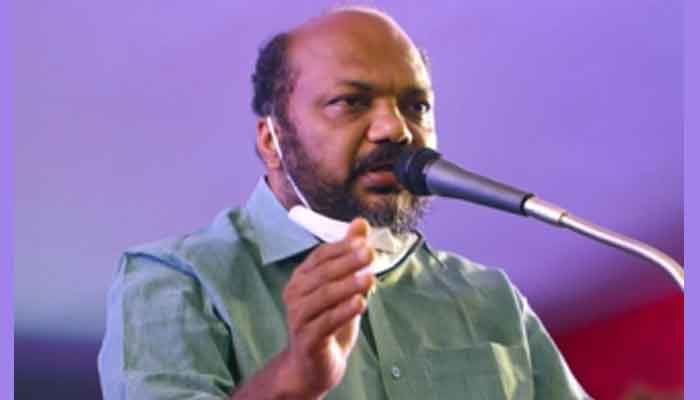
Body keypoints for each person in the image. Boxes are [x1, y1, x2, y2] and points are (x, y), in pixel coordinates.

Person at [98, 6, 590, 400]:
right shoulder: (176, 280)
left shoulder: (492, 298)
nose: (395, 129)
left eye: (416, 106)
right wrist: (290, 381)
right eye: (351, 102)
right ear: (271, 140)